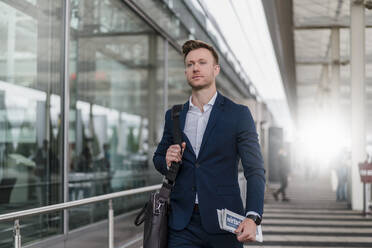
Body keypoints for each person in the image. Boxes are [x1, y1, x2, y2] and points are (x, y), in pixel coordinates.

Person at [153, 40, 265, 248]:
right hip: (181, 224)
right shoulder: (174, 115)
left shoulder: (238, 115)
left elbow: (255, 170)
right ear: (186, 72)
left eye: (202, 62)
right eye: (190, 64)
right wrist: (167, 160)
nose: (195, 67)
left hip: (225, 223)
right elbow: (158, 159)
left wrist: (253, 216)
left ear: (216, 69)